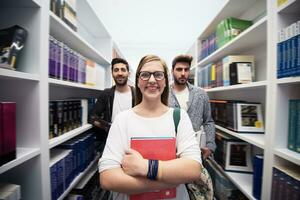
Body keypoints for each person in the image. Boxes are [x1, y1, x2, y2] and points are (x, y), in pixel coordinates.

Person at [99, 55, 202, 200]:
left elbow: (193, 169)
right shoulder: (123, 119)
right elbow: (107, 178)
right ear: (138, 82)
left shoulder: (179, 117)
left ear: (165, 81)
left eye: (158, 75)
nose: (152, 80)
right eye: (145, 75)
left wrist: (145, 167)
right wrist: (167, 181)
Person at [169, 54, 216, 159]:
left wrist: (210, 145)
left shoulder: (200, 94)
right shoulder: (164, 94)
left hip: (194, 147)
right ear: (172, 71)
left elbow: (208, 121)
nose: (183, 73)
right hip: (169, 147)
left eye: (186, 70)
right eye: (179, 69)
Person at [91, 57, 135, 140]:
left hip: (132, 138)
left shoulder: (137, 94)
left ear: (128, 73)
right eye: (116, 70)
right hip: (111, 138)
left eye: (123, 70)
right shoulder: (106, 94)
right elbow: (93, 117)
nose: (120, 73)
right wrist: (109, 127)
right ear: (112, 73)